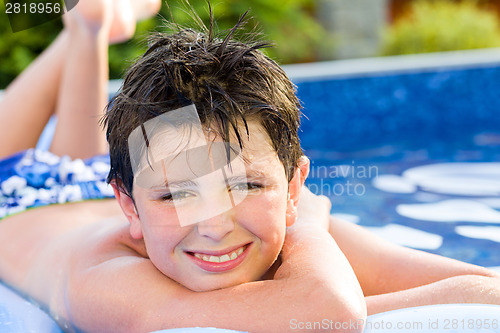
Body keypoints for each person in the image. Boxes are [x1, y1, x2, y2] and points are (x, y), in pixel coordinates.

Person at [0, 1, 499, 332]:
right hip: (13, 198)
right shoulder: (103, 283)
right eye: (179, 196)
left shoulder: (273, 215)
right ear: (128, 206)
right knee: (70, 155)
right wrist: (304, 226)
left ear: (292, 187)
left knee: (97, 156)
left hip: (132, 181)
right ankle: (86, 26)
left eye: (244, 185)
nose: (216, 225)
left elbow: (484, 287)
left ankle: (88, 25)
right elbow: (330, 313)